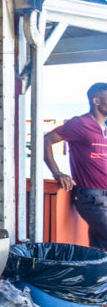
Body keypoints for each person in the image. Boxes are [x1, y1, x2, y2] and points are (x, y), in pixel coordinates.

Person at [44, 82, 107, 251]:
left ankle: (96, 277)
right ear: (96, 100)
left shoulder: (104, 129)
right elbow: (47, 140)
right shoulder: (80, 123)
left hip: (104, 198)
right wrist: (57, 173)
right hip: (91, 199)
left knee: (99, 248)